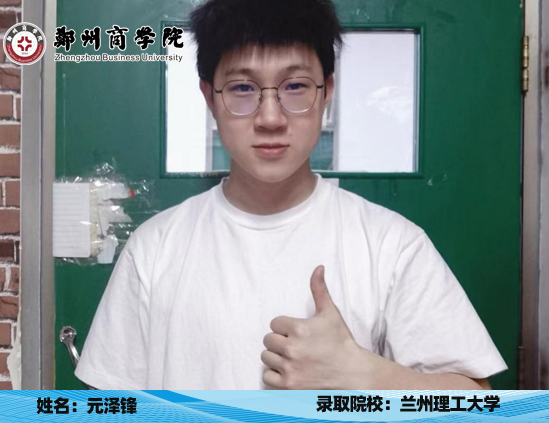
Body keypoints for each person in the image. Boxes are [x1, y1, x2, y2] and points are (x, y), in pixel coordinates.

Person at [75, 0, 507, 390]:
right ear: (209, 97)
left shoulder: (390, 244)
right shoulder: (155, 248)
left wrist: (365, 375)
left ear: (327, 92)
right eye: (242, 88)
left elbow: (474, 400)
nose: (270, 117)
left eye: (295, 87)